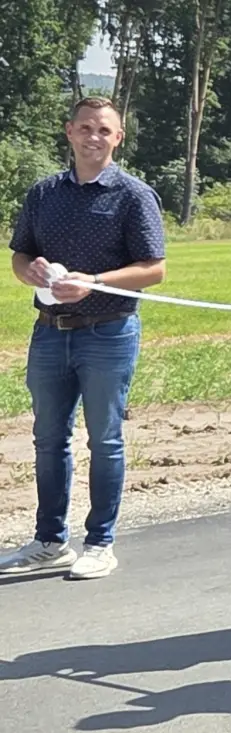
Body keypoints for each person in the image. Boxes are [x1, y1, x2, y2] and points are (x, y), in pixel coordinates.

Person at [1, 96, 166, 581]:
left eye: (104, 130)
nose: (94, 137)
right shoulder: (43, 193)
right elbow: (19, 254)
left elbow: (153, 270)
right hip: (50, 334)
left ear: (118, 139)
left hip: (108, 332)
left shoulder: (134, 195)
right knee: (48, 439)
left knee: (105, 439)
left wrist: (92, 281)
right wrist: (28, 272)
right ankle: (50, 541)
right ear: (69, 132)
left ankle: (100, 542)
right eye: (85, 128)